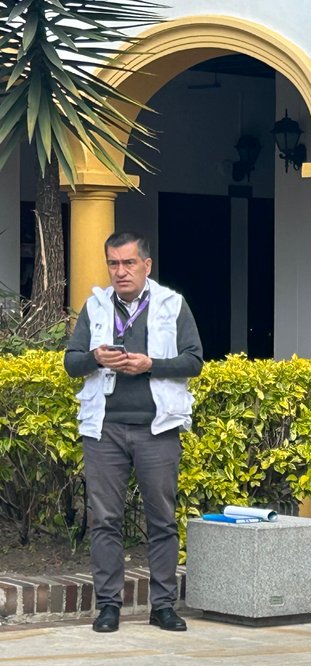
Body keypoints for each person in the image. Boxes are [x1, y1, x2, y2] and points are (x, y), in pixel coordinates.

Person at [63, 231, 203, 634]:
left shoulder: (172, 305)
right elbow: (72, 363)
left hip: (157, 428)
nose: (120, 272)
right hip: (104, 428)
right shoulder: (95, 306)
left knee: (161, 519)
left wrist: (151, 365)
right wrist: (94, 357)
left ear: (146, 265)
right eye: (113, 264)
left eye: (127, 263)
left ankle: (163, 606)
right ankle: (108, 606)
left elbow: (194, 361)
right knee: (105, 520)